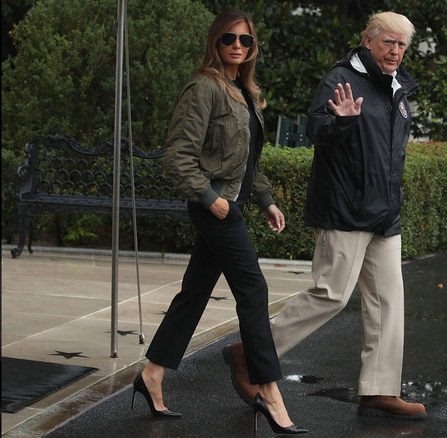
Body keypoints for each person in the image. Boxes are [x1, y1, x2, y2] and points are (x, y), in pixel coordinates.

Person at [221, 11, 427, 421]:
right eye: (388, 42)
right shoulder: (340, 78)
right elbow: (318, 129)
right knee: (330, 295)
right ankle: (250, 354)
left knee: (389, 303)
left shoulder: (398, 86)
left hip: (385, 214)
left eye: (402, 45)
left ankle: (379, 390)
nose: (396, 51)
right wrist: (344, 123)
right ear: (368, 41)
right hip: (345, 209)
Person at [131, 9, 307, 435]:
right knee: (253, 288)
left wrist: (265, 199)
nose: (237, 46)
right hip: (216, 207)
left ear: (252, 48)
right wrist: (211, 200)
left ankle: (152, 373)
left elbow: (247, 160)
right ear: (216, 41)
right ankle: (267, 389)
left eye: (245, 41)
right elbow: (177, 154)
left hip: (234, 204)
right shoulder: (203, 88)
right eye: (229, 38)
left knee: (194, 294)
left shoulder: (243, 91)